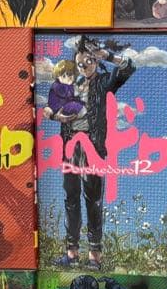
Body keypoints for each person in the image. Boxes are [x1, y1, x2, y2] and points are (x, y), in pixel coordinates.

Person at [51, 37, 135, 270]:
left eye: (88, 62)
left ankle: (94, 257)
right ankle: (71, 254)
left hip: (92, 145)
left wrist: (107, 55)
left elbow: (128, 68)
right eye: (79, 64)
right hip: (70, 144)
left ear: (96, 62)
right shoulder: (69, 84)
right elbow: (54, 107)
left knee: (93, 198)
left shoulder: (103, 82)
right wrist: (57, 116)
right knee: (70, 197)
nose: (84, 67)